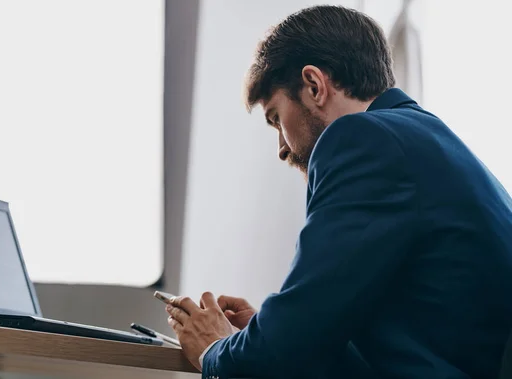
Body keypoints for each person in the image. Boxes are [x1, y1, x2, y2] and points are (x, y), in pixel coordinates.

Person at [165, 5, 512, 379]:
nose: (282, 148)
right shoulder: (422, 137)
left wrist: (215, 351)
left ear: (314, 86)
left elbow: (284, 350)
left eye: (276, 119)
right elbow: (397, 342)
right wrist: (261, 332)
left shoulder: (362, 140)